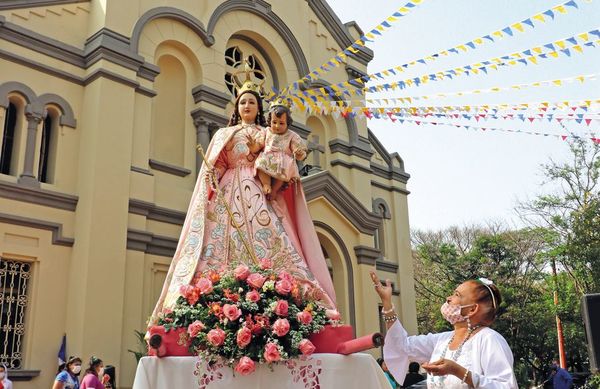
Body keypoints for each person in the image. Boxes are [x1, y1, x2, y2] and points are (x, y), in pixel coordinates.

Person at [148, 60, 336, 327]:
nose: (247, 106)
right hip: (229, 186)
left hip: (260, 187)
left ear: (260, 109)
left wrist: (266, 157)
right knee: (217, 241)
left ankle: (284, 291)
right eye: (242, 102)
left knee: (272, 234)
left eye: (252, 102)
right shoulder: (225, 133)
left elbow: (278, 156)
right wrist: (213, 174)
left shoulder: (267, 132)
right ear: (236, 108)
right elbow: (220, 162)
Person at [371, 271, 518, 388]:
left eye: (457, 295)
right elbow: (402, 346)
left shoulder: (489, 339)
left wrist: (459, 371)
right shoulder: (442, 340)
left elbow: (505, 386)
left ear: (472, 309)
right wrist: (387, 304)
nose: (448, 298)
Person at [255, 101, 308, 199]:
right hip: (267, 156)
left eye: (281, 123)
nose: (277, 126)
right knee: (261, 164)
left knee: (284, 170)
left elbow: (299, 150)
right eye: (274, 122)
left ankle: (274, 190)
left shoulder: (292, 135)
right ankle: (266, 184)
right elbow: (258, 145)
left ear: (287, 123)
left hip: (282, 161)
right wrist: (253, 145)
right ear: (270, 121)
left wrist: (299, 153)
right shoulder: (266, 131)